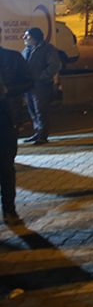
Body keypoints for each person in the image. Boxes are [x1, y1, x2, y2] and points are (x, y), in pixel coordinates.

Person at [0, 46, 32, 225]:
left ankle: (9, 210)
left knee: (6, 168)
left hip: (6, 120)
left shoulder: (12, 57)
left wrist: (6, 90)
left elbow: (28, 82)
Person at [21, 27, 61, 145]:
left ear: (35, 37)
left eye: (27, 36)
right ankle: (37, 132)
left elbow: (54, 65)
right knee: (32, 110)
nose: (24, 38)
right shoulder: (27, 49)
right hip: (29, 86)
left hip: (41, 86)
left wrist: (41, 77)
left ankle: (43, 135)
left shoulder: (48, 49)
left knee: (41, 110)